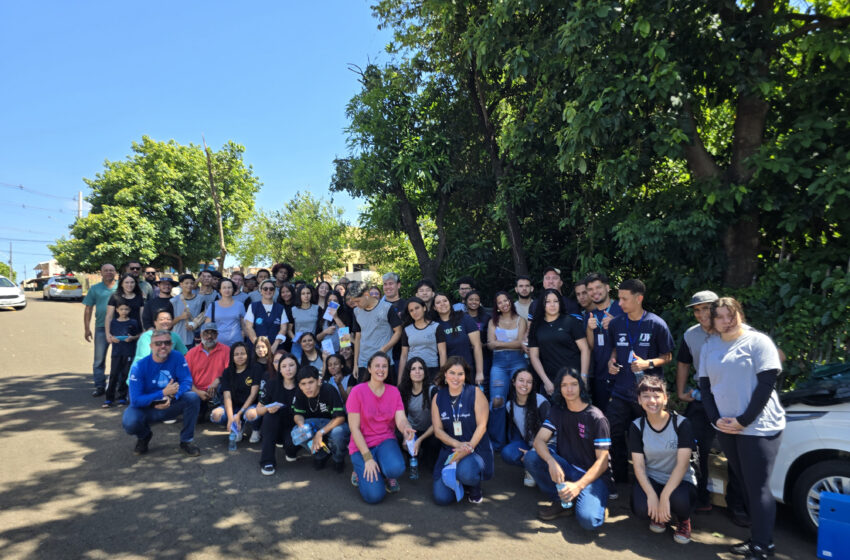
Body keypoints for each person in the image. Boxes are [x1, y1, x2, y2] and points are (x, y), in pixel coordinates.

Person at [698, 297, 785, 560]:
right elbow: (704, 386)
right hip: (726, 426)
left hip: (759, 427)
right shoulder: (710, 345)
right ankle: (756, 540)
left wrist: (744, 420)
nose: (727, 321)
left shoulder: (757, 342)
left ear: (740, 314)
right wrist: (715, 419)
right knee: (746, 484)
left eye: (731, 315)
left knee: (757, 488)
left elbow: (766, 384)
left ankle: (763, 547)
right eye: (720, 317)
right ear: (713, 321)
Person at [606, 279, 674, 486]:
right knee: (614, 433)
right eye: (619, 298)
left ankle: (648, 481)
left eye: (624, 298)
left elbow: (668, 356)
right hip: (620, 391)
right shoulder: (617, 322)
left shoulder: (656, 324)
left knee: (648, 438)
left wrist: (648, 363)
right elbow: (615, 349)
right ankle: (618, 478)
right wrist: (611, 361)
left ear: (639, 298)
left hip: (648, 396)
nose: (620, 303)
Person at [525, 368, 610, 531]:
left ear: (581, 387)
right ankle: (562, 501)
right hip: (567, 467)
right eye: (564, 385)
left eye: (573, 384)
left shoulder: (596, 417)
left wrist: (578, 486)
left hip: (593, 477)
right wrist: (551, 461)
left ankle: (592, 503)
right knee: (532, 458)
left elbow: (603, 462)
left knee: (589, 521)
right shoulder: (558, 410)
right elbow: (539, 440)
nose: (569, 389)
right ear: (559, 388)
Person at [629, 375, 697, 544]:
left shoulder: (681, 424)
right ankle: (660, 515)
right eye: (646, 396)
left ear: (665, 399)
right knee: (641, 507)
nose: (652, 401)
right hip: (653, 478)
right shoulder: (637, 426)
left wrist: (664, 496)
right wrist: (652, 495)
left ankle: (683, 520)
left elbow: (682, 465)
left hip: (681, 480)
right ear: (639, 400)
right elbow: (638, 466)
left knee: (679, 500)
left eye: (657, 396)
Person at [346, 352, 416, 504]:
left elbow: (401, 419)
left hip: (385, 440)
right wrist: (367, 458)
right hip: (362, 446)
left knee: (396, 468)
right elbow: (354, 428)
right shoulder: (357, 392)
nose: (381, 369)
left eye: (384, 366)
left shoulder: (393, 391)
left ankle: (385, 472)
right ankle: (359, 470)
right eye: (377, 366)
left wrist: (406, 429)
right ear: (369, 369)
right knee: (374, 496)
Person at [121, 329, 201, 456]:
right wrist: (161, 393)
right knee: (129, 422)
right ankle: (144, 436)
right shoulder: (139, 366)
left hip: (171, 402)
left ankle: (186, 440)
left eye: (167, 342)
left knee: (192, 397)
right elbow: (135, 400)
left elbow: (186, 381)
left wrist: (172, 395)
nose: (163, 346)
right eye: (158, 343)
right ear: (151, 346)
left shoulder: (177, 357)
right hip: (147, 407)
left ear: (171, 344)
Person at [675, 290, 721, 512]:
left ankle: (740, 508)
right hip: (702, 398)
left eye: (706, 308)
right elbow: (683, 363)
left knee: (737, 454)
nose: (702, 313)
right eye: (697, 310)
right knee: (694, 447)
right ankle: (701, 498)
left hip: (730, 399)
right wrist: (682, 391)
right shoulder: (691, 335)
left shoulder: (731, 331)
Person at [431, 357, 493, 505]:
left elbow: (482, 426)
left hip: (475, 448)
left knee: (466, 473)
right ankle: (459, 481)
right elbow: (438, 431)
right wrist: (457, 444)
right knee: (442, 498)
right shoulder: (438, 397)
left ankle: (473, 485)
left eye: (460, 374)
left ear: (465, 376)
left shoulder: (475, 393)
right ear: (445, 374)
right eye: (452, 373)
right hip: (451, 450)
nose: (456, 378)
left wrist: (468, 447)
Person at [527, 288, 590, 396]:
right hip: (551, 381)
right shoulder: (535, 326)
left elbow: (585, 349)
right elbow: (534, 357)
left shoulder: (571, 321)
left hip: (574, 379)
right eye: (548, 302)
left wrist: (583, 377)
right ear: (542, 304)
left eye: (556, 301)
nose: (552, 305)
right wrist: (546, 381)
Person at [486, 291, 528, 450]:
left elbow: (521, 344)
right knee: (497, 400)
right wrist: (513, 343)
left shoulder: (520, 320)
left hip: (518, 360)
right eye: (500, 302)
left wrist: (499, 343)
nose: (504, 304)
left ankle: (519, 439)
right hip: (499, 363)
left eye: (506, 301)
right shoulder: (493, 322)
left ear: (511, 302)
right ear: (496, 306)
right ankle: (497, 442)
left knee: (521, 399)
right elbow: (490, 345)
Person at [292, 365, 350, 472]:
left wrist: (320, 433)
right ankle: (322, 453)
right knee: (297, 432)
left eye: (311, 382)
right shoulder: (300, 392)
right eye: (303, 384)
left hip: (334, 424)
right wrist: (302, 426)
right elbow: (297, 414)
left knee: (338, 433)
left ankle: (338, 457)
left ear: (318, 381)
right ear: (299, 385)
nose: (307, 387)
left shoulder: (329, 390)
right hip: (314, 423)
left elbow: (340, 418)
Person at [252, 352, 301, 475]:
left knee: (291, 447)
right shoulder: (272, 383)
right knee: (270, 417)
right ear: (279, 369)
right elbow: (259, 410)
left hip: (294, 426)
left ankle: (290, 450)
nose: (288, 369)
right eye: (284, 366)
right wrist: (268, 409)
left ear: (297, 366)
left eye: (291, 365)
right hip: (274, 426)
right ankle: (267, 461)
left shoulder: (303, 385)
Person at [501, 368, 550, 488]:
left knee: (534, 456)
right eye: (521, 380)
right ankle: (530, 466)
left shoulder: (541, 402)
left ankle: (536, 466)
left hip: (547, 445)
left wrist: (533, 452)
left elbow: (553, 433)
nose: (524, 384)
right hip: (528, 443)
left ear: (533, 385)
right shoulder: (509, 405)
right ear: (513, 382)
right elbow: (517, 431)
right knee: (507, 453)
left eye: (529, 382)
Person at [584, 272, 624, 412]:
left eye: (598, 287)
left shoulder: (621, 308)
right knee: (603, 417)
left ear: (607, 288)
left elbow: (632, 336)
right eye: (590, 289)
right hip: (600, 374)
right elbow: (591, 346)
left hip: (622, 374)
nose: (595, 292)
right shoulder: (590, 315)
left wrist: (616, 323)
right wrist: (589, 329)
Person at [209, 342, 262, 445]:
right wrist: (230, 418)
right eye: (236, 354)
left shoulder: (255, 368)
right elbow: (227, 397)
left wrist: (239, 414)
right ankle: (238, 426)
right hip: (234, 406)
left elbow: (253, 395)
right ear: (232, 357)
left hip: (250, 406)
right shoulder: (227, 372)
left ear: (247, 354)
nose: (240, 356)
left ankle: (256, 429)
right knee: (215, 415)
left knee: (251, 414)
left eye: (243, 353)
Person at [350, 281, 403, 382]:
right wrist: (355, 364)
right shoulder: (356, 311)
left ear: (366, 295)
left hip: (383, 361)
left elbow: (398, 332)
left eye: (358, 301)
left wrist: (383, 349)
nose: (356, 304)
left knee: (387, 395)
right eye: (354, 302)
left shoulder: (387, 308)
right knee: (364, 396)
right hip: (363, 363)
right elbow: (358, 337)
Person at [398, 357, 439, 474]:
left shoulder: (433, 391)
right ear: (408, 372)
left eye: (420, 368)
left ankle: (425, 453)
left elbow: (438, 423)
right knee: (396, 436)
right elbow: (402, 417)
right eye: (413, 369)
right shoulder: (403, 391)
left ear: (425, 372)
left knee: (430, 463)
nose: (417, 371)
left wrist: (420, 440)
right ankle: (407, 454)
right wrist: (407, 435)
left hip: (430, 432)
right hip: (412, 432)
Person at [433, 293, 485, 385]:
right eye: (438, 302)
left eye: (445, 301)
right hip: (448, 373)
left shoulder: (464, 318)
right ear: (434, 307)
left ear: (450, 303)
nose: (442, 304)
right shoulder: (434, 325)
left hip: (467, 370)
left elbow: (477, 346)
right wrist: (442, 375)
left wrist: (479, 372)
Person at [83, 263, 118, 397]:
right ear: (101, 273)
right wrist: (87, 328)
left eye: (111, 270)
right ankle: (99, 386)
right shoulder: (95, 289)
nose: (109, 272)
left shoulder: (121, 286)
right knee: (99, 360)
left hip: (119, 327)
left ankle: (119, 386)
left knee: (119, 359)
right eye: (106, 270)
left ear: (115, 272)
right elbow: (88, 309)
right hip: (101, 328)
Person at [185, 323, 230, 421]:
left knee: (221, 417)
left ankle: (220, 409)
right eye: (206, 333)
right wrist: (198, 392)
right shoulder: (191, 353)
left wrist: (218, 379)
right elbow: (185, 378)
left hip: (218, 390)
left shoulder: (226, 350)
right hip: (198, 391)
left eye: (213, 333)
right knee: (196, 419)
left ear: (217, 335)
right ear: (201, 335)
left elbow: (230, 372)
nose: (209, 336)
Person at [103, 301, 141, 408]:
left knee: (125, 374)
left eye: (126, 309)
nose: (124, 311)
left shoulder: (133, 322)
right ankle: (109, 398)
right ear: (117, 310)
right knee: (114, 374)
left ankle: (122, 397)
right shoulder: (113, 322)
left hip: (129, 351)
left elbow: (138, 334)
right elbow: (110, 335)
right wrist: (112, 338)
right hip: (116, 352)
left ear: (129, 310)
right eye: (121, 309)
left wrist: (132, 338)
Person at [398, 297, 442, 384]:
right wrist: (400, 379)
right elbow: (403, 356)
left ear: (424, 308)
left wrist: (442, 375)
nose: (415, 312)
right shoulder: (407, 330)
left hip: (432, 369)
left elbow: (442, 353)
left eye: (417, 308)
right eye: (411, 310)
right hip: (412, 370)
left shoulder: (436, 327)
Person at [244, 279, 291, 354]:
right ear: (261, 291)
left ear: (274, 291)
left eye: (271, 289)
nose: (268, 291)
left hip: (275, 348)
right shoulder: (253, 306)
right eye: (265, 289)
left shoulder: (280, 308)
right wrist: (258, 345)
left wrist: (274, 346)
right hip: (256, 348)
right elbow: (249, 328)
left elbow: (283, 328)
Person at [171, 274, 205, 350]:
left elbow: (203, 316)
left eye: (191, 283)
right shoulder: (173, 301)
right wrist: (181, 317)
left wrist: (194, 324)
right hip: (178, 339)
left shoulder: (200, 300)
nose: (189, 285)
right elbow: (169, 323)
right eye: (186, 283)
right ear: (181, 284)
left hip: (195, 339)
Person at [291, 284, 321, 362]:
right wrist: (295, 339)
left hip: (313, 342)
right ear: (299, 295)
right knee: (297, 363)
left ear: (311, 294)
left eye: (308, 293)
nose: (306, 296)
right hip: (298, 343)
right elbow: (288, 329)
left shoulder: (317, 308)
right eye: (303, 294)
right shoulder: (293, 310)